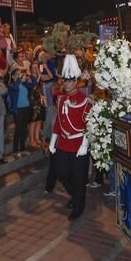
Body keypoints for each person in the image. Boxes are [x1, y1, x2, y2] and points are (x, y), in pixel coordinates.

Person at [49, 55, 92, 221]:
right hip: (63, 143)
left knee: (79, 177)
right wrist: (53, 141)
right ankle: (75, 195)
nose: (65, 83)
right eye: (64, 80)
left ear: (75, 81)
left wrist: (84, 144)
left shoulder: (84, 100)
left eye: (69, 81)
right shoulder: (61, 99)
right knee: (60, 172)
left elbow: (89, 125)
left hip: (78, 143)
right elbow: (58, 122)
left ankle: (78, 207)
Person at [7, 67, 36, 158]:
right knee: (18, 129)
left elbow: (34, 84)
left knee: (24, 129)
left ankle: (23, 148)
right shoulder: (11, 84)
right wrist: (19, 79)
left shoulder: (24, 84)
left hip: (26, 108)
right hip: (18, 109)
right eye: (18, 73)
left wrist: (30, 74)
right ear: (13, 76)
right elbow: (15, 87)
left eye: (20, 73)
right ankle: (15, 150)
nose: (20, 75)